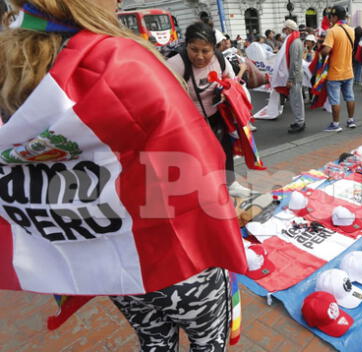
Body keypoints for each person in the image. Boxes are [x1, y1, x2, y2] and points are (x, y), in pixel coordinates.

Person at [0, 0, 247, 351]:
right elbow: (198, 163)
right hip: (181, 258)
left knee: (154, 343)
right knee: (209, 344)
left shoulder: (13, 66)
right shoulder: (120, 59)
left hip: (116, 264)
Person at [168, 23, 253, 198]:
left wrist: (225, 92)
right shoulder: (175, 65)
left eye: (205, 51)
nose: (199, 56)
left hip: (216, 114)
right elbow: (165, 97)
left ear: (214, 48)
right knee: (197, 158)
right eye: (194, 50)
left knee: (224, 149)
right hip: (190, 123)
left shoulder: (220, 60)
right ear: (187, 46)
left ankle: (231, 184)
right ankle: (203, 192)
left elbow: (232, 82)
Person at [321, 5, 357, 132]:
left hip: (335, 72)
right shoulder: (351, 30)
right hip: (348, 71)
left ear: (335, 17)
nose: (330, 19)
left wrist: (321, 49)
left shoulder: (332, 31)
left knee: (335, 100)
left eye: (331, 16)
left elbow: (326, 50)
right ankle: (351, 120)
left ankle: (336, 124)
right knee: (350, 97)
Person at [280, 20, 306, 133]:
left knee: (296, 100)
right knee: (296, 100)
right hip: (296, 75)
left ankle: (299, 122)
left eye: (285, 29)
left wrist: (290, 79)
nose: (284, 32)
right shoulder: (295, 40)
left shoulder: (294, 42)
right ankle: (299, 120)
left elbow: (294, 63)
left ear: (290, 29)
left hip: (295, 76)